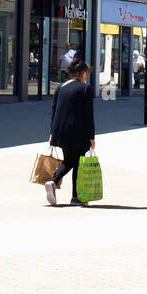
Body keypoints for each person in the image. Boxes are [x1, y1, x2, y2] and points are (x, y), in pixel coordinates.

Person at [44, 57, 96, 206]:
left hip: (61, 132)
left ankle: (58, 185)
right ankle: (72, 194)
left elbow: (54, 111)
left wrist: (52, 132)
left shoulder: (61, 87)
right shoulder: (85, 88)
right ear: (82, 73)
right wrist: (91, 136)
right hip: (79, 132)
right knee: (77, 161)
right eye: (86, 73)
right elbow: (88, 115)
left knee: (70, 160)